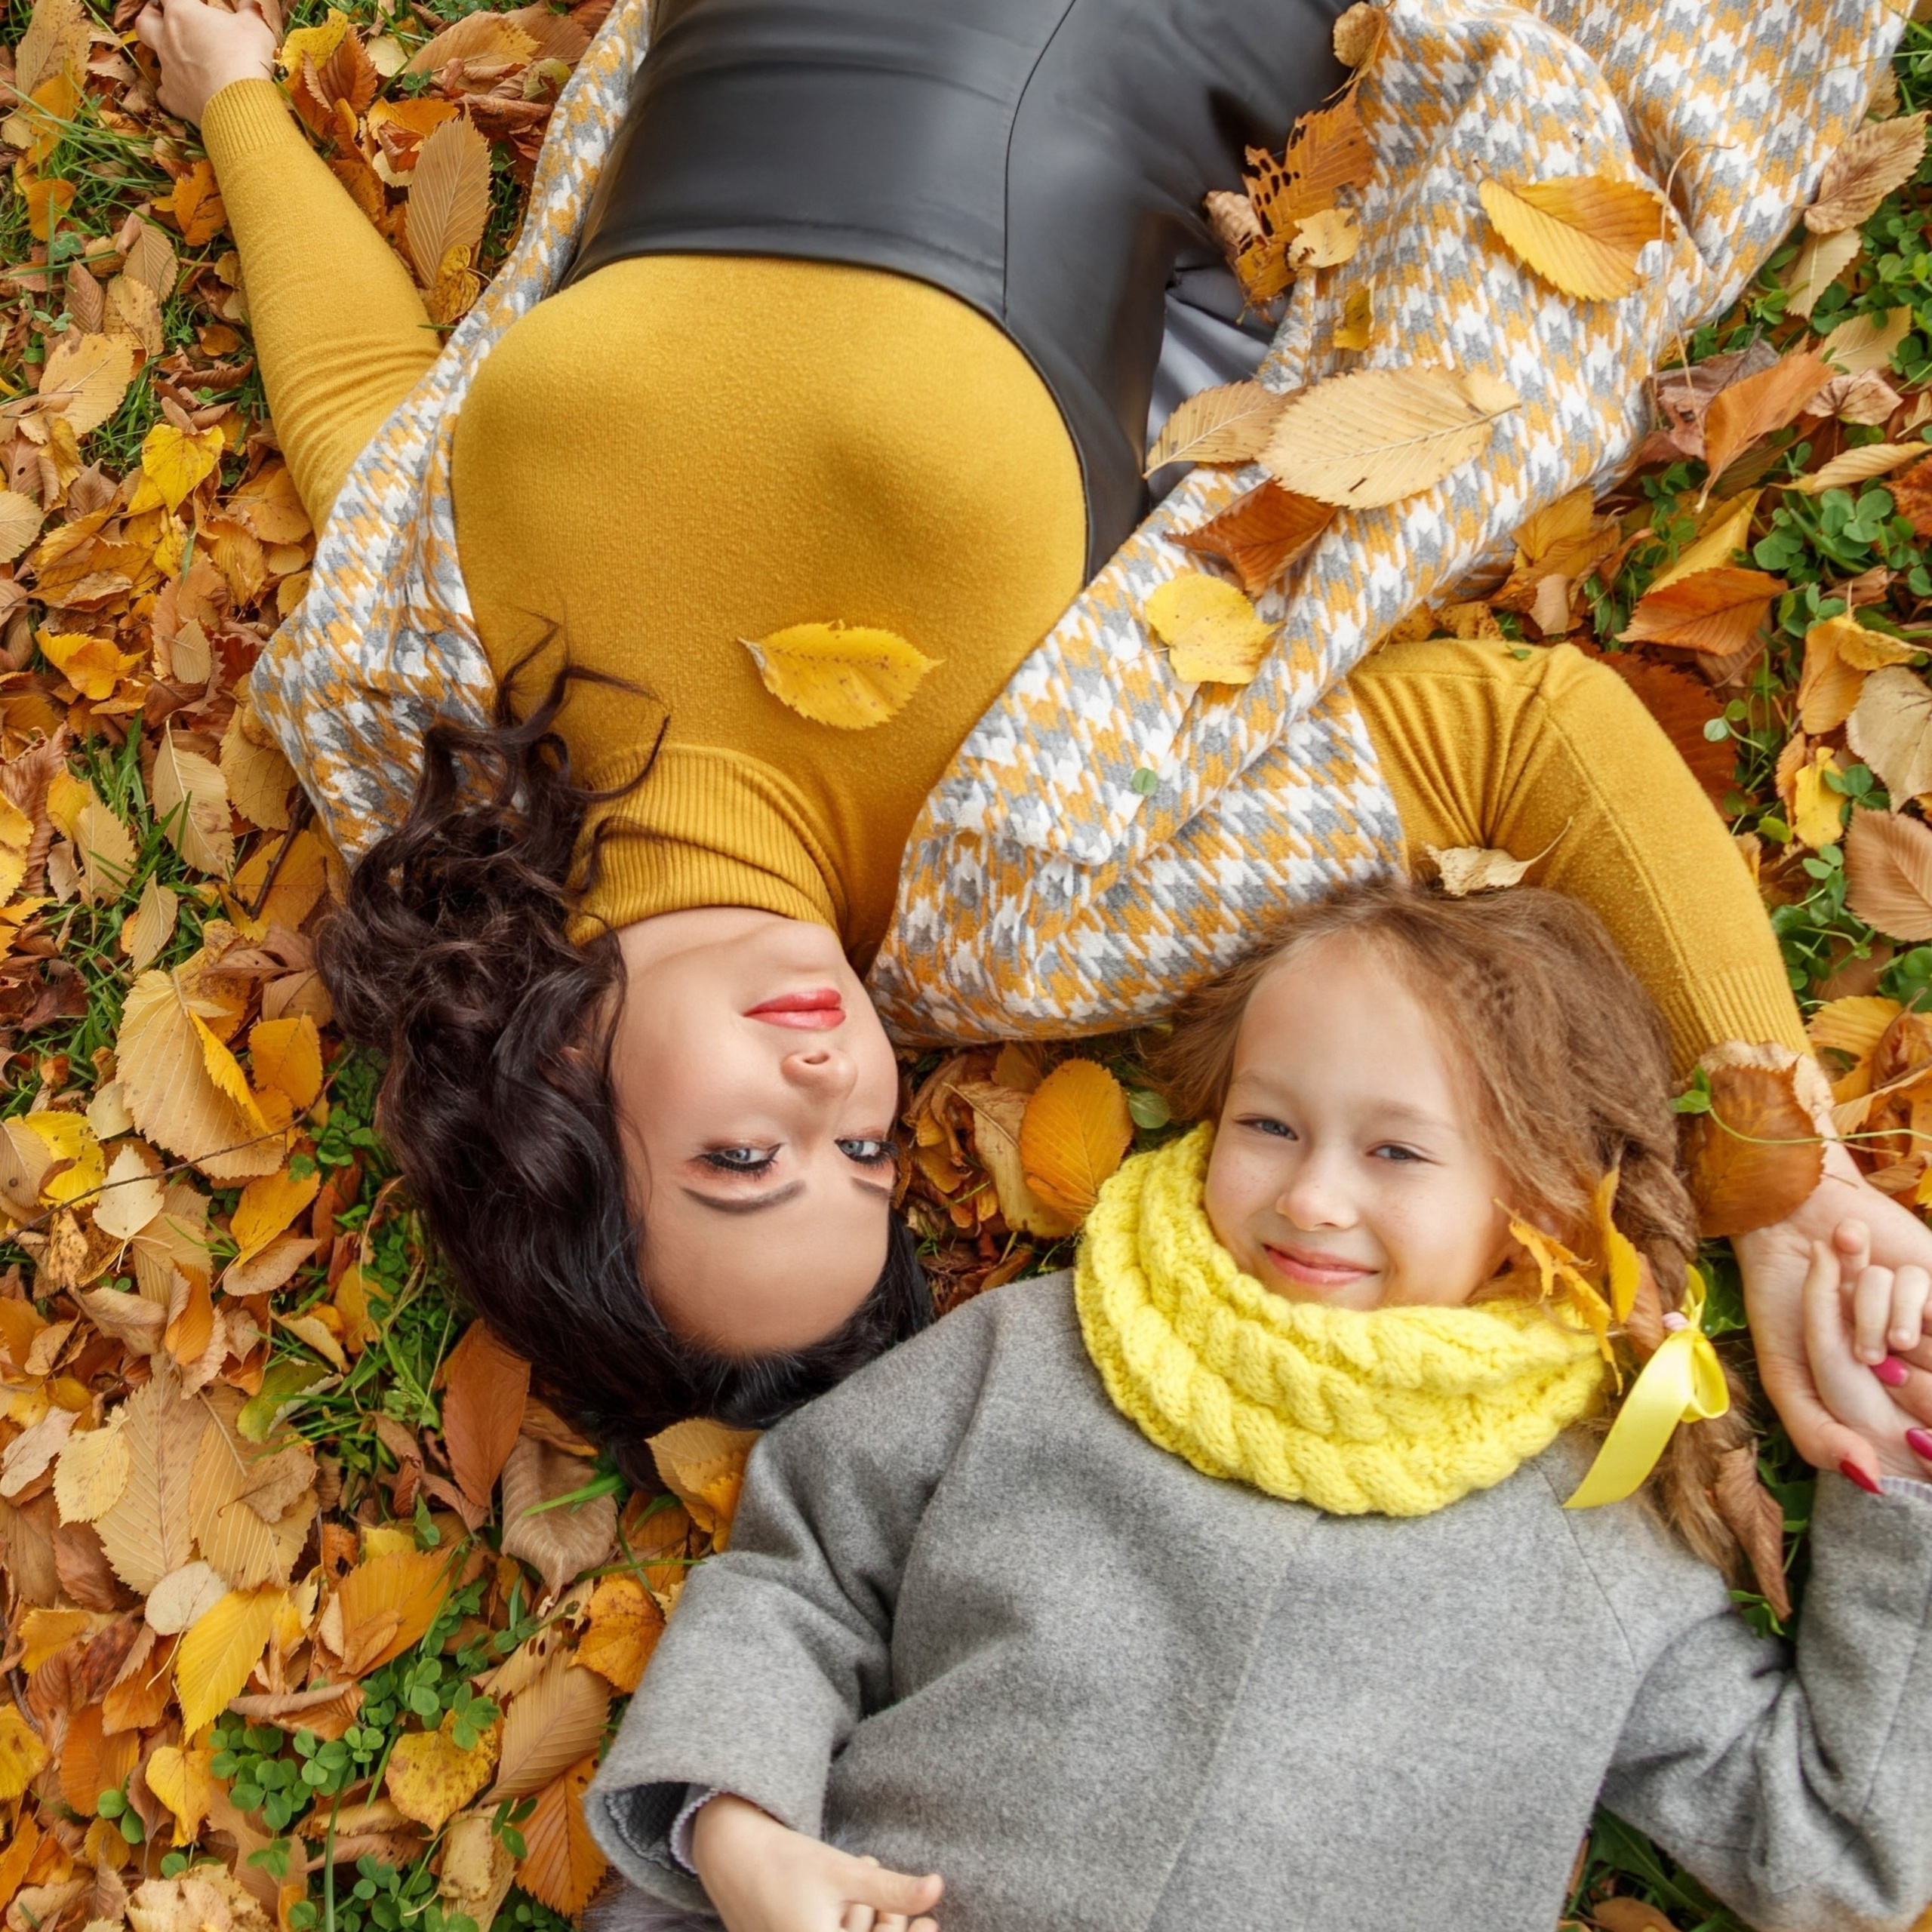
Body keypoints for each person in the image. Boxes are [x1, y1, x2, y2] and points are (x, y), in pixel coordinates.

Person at [132, 0, 1931, 1481]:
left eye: (745, 1158)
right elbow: (1526, 733)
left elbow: (373, 420)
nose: (835, 1093)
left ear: (553, 1103)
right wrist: (1781, 1175)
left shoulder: (432, 747)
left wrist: (235, 100)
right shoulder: (1025, 898)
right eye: (860, 1159)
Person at [584, 881, 1932, 1932]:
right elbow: (798, 1576)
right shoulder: (1042, 1354)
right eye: (1269, 1126)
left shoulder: (1601, 1523)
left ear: (1541, 1195)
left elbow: (1826, 1843)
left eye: (1396, 1151)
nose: (1313, 1196)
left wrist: (1900, 1486)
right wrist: (739, 1829)